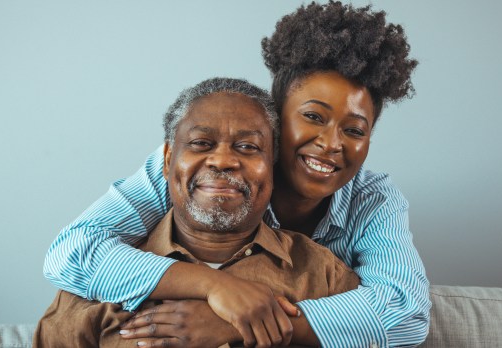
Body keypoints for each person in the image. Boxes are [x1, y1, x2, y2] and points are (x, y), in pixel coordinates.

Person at [43, 2, 431, 347]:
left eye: (354, 130)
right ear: (275, 118)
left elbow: (407, 314)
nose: (331, 143)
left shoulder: (371, 203)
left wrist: (238, 323)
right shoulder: (192, 171)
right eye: (313, 117)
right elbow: (71, 253)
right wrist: (215, 287)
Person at [34, 77, 361, 348]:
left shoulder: (324, 277)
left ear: (272, 168)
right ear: (166, 161)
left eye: (248, 147)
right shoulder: (92, 287)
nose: (223, 161)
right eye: (202, 143)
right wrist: (215, 287)